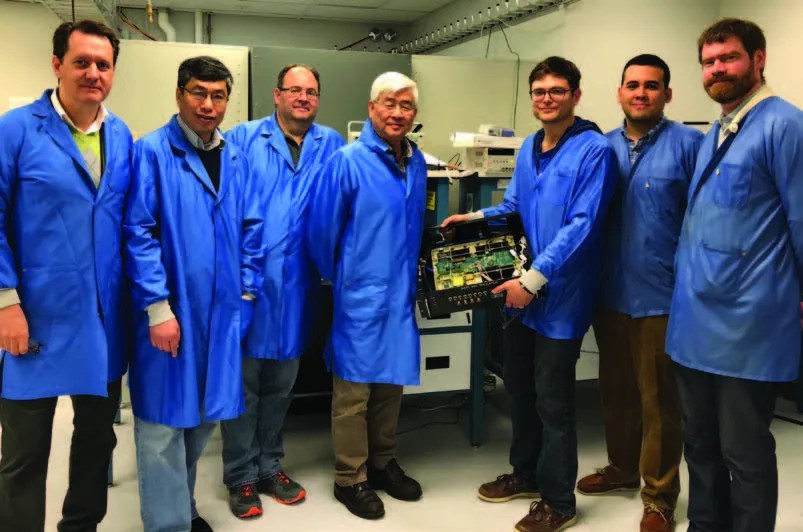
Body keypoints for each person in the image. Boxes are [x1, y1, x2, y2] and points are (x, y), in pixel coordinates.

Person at [444, 56, 616, 532]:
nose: (546, 99)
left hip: (558, 296)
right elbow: (518, 206)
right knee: (519, 389)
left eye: (557, 91)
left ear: (575, 96)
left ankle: (559, 502)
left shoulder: (593, 151)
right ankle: (526, 474)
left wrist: (532, 280)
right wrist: (475, 220)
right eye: (539, 91)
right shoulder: (529, 146)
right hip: (522, 295)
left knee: (553, 402)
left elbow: (583, 226)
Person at [666, 18, 803, 532]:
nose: (717, 69)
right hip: (694, 321)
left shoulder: (785, 126)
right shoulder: (718, 130)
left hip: (748, 323)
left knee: (743, 451)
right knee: (699, 444)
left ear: (758, 59)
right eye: (709, 61)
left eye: (729, 58)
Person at [0, 20, 132, 532]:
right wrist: (6, 301)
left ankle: (81, 526)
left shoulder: (120, 135)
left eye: (103, 64)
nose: (93, 73)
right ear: (57, 65)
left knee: (98, 441)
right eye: (82, 62)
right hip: (33, 318)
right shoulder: (16, 129)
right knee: (25, 452)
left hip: (102, 322)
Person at [124, 56, 264, 532]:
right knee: (163, 425)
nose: (208, 104)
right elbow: (138, 233)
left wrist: (247, 296)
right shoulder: (151, 152)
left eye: (218, 95)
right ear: (179, 94)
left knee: (204, 417)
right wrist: (157, 308)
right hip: (170, 313)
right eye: (198, 93)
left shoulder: (235, 157)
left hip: (221, 315)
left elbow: (251, 230)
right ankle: (167, 525)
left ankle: (180, 509)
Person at [575, 55, 702, 532]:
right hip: (610, 296)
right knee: (616, 393)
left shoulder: (690, 145)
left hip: (662, 298)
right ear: (619, 92)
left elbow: (703, 220)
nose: (641, 93)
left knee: (661, 403)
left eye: (652, 86)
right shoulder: (599, 148)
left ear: (667, 94)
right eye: (633, 85)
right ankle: (622, 469)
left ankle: (660, 494)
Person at [221, 64, 344, 518]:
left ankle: (271, 466)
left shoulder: (330, 143)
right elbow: (225, 206)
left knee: (282, 386)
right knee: (244, 387)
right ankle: (240, 475)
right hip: (249, 282)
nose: (303, 98)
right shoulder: (243, 139)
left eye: (311, 91)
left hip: (298, 284)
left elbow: (340, 204)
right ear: (276, 95)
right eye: (294, 90)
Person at [306, 72, 426, 521]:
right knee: (353, 393)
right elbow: (321, 231)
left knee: (390, 386)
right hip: (360, 293)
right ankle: (349, 477)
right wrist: (342, 278)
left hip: (399, 295)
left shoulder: (415, 161)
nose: (397, 113)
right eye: (389, 104)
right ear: (372, 108)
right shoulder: (348, 161)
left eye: (407, 106)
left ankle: (382, 463)